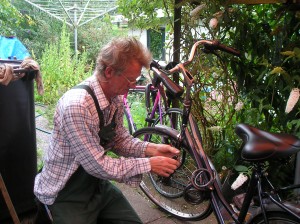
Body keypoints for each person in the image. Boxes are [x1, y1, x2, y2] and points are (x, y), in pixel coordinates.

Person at [34, 37, 180, 224]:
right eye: (131, 79)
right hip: (64, 190)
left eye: (137, 80)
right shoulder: (77, 105)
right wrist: (149, 164)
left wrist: (151, 149)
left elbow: (119, 140)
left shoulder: (115, 98)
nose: (134, 86)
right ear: (110, 71)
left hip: (96, 184)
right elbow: (97, 164)